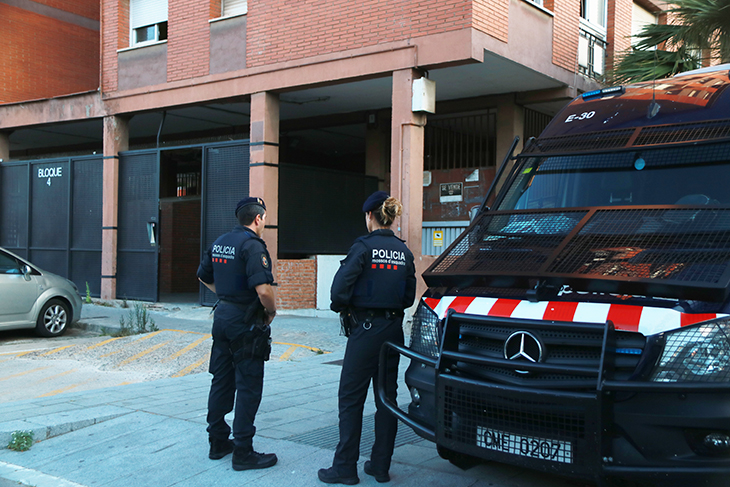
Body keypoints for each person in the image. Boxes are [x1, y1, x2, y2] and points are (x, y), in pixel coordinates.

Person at [318, 191, 417, 485]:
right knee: (387, 398)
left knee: (351, 398)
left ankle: (345, 468)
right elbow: (409, 297)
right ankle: (380, 466)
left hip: (366, 331)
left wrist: (346, 308)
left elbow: (338, 293)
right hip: (393, 331)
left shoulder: (362, 247)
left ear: (369, 216)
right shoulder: (404, 252)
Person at [197, 196, 278, 471]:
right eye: (264, 219)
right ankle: (243, 450)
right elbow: (264, 290)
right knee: (248, 385)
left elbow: (203, 275)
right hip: (245, 321)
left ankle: (217, 441)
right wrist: (270, 312)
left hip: (222, 317)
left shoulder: (220, 242)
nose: (264, 223)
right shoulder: (253, 246)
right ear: (258, 219)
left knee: (221, 379)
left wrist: (226, 296)